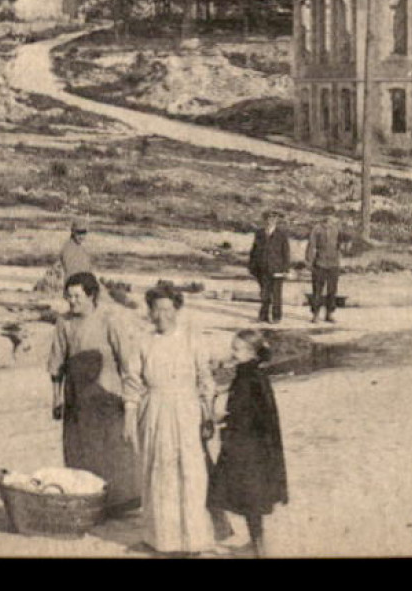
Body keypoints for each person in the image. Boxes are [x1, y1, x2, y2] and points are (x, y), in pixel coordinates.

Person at [122, 284, 218, 555]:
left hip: (187, 411)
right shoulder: (142, 341)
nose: (162, 315)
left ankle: (193, 540)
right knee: (158, 472)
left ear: (177, 309)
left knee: (190, 472)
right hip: (154, 412)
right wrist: (129, 416)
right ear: (150, 312)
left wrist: (208, 414)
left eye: (167, 309)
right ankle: (160, 540)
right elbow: (132, 382)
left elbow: (205, 379)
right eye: (156, 309)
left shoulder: (192, 339)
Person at [47, 271, 141, 516]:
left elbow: (128, 362)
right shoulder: (63, 322)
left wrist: (130, 399)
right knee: (79, 448)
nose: (72, 302)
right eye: (69, 297)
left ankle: (118, 503)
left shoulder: (110, 320)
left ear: (92, 295)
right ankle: (87, 500)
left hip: (107, 397)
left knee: (110, 450)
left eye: (77, 297)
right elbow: (56, 363)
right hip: (76, 397)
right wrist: (57, 398)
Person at [207, 330, 289, 558]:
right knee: (250, 498)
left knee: (245, 496)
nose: (232, 353)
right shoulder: (252, 373)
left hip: (245, 448)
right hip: (254, 446)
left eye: (237, 349)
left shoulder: (249, 377)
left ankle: (258, 547)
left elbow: (245, 413)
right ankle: (256, 543)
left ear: (251, 352)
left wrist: (221, 418)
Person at [248, 211, 292, 324]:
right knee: (264, 293)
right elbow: (254, 251)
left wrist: (286, 269)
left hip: (277, 269)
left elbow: (286, 253)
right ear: (264, 220)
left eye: (273, 219)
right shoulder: (259, 233)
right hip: (263, 268)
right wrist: (252, 266)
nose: (270, 221)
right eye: (268, 219)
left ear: (276, 220)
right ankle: (263, 316)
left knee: (276, 294)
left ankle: (276, 317)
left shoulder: (282, 234)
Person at [306, 213, 342, 324]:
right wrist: (309, 262)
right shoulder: (317, 229)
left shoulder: (337, 229)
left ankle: (329, 314)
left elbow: (340, 245)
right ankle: (315, 314)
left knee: (332, 290)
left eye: (331, 215)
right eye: (327, 214)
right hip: (320, 263)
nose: (329, 218)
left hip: (333, 264)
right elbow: (311, 245)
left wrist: (339, 259)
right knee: (317, 290)